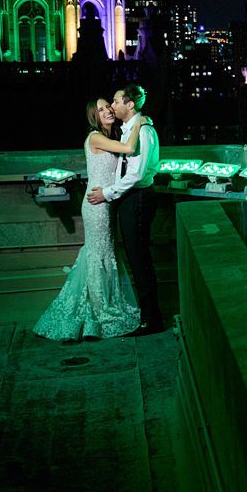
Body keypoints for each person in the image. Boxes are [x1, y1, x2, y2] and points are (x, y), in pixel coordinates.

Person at [33, 99, 147, 341]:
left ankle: (101, 303)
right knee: (98, 254)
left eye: (108, 107)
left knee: (104, 253)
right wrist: (140, 123)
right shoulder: (95, 137)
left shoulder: (110, 136)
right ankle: (99, 309)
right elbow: (128, 148)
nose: (107, 111)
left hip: (107, 202)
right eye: (101, 109)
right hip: (96, 205)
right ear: (93, 116)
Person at [88, 83, 163, 333]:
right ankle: (148, 314)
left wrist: (108, 193)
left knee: (139, 259)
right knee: (135, 258)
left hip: (137, 198)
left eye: (116, 101)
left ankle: (151, 319)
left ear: (129, 105)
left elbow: (137, 174)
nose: (112, 106)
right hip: (129, 199)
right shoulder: (129, 129)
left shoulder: (142, 131)